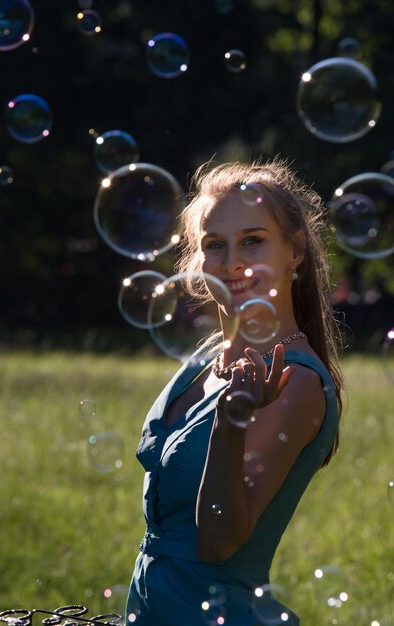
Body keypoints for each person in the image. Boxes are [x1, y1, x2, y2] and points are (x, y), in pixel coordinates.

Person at [125, 158, 344, 625]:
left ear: (296, 252)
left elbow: (218, 541)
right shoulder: (205, 359)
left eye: (253, 241)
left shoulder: (295, 381)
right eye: (215, 245)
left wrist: (229, 425)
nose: (233, 262)